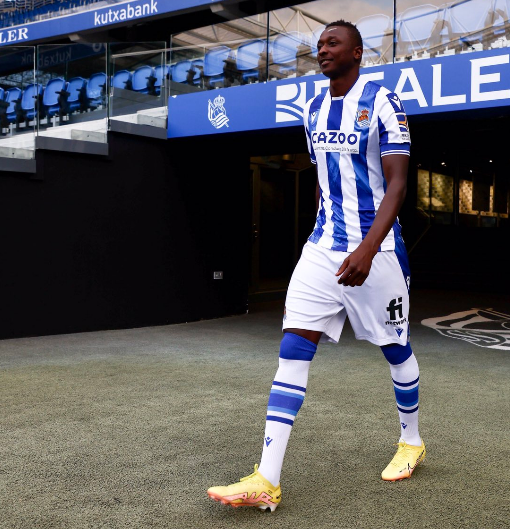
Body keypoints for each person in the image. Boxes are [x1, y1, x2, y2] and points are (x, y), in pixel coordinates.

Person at [207, 20, 423, 512]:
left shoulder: (385, 102)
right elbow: (329, 183)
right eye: (319, 43)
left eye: (332, 43)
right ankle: (267, 478)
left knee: (395, 347)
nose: (321, 50)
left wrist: (368, 248)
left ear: (357, 52)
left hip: (379, 251)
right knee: (293, 345)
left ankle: (411, 440)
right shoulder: (312, 107)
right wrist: (338, 242)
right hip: (323, 247)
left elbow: (396, 186)